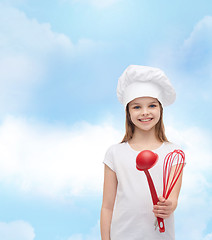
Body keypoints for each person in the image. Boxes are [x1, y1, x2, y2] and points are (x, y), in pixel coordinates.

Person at [100, 65, 185, 240]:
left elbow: (173, 199)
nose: (145, 112)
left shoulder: (174, 153)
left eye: (152, 105)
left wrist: (169, 206)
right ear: (128, 112)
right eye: (137, 107)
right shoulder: (114, 153)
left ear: (160, 109)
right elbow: (107, 206)